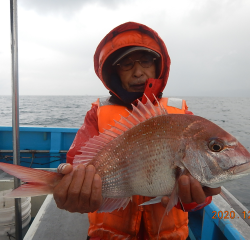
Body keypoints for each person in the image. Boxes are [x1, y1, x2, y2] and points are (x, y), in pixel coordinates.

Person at [53, 22, 221, 240]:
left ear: (158, 66)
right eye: (126, 64)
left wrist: (196, 198)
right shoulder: (97, 113)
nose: (138, 72)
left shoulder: (179, 115)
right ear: (114, 71)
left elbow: (201, 173)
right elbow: (78, 164)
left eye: (145, 61)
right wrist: (73, 189)